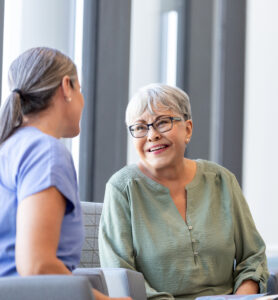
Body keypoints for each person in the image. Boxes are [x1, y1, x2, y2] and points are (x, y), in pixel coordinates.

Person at [98, 83, 269, 300]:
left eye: (162, 122)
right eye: (140, 127)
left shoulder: (221, 180)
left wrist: (242, 298)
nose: (151, 135)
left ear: (187, 129)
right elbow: (119, 276)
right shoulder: (122, 188)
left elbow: (252, 257)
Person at [0, 47, 131, 300]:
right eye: (80, 89)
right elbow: (36, 265)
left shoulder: (11, 147)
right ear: (66, 87)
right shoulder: (45, 152)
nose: (83, 100)